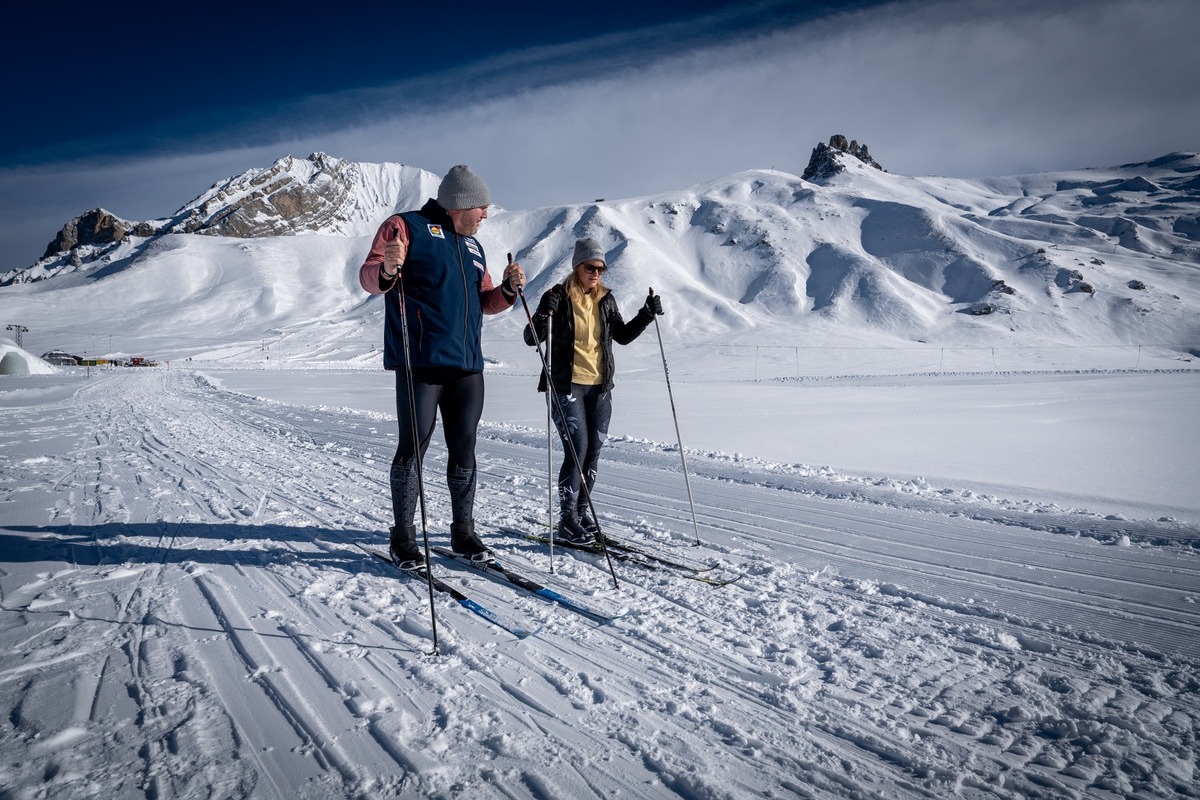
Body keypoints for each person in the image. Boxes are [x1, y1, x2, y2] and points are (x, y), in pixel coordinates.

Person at [359, 165, 525, 567]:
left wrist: (506, 290)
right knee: (413, 448)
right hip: (420, 363)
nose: (486, 215)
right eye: (482, 208)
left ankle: (463, 533)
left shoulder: (473, 247)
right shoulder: (404, 226)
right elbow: (369, 278)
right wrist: (387, 268)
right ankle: (403, 537)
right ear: (460, 205)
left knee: (464, 449)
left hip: (467, 365)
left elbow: (486, 302)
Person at [523, 237, 663, 545]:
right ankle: (567, 519)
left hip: (600, 389)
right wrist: (542, 314)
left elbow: (622, 336)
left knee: (594, 453)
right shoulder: (557, 296)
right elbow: (531, 339)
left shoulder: (606, 300)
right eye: (591, 267)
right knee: (577, 450)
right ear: (577, 267)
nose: (596, 272)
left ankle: (582, 512)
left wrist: (646, 314)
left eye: (601, 268)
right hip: (566, 387)